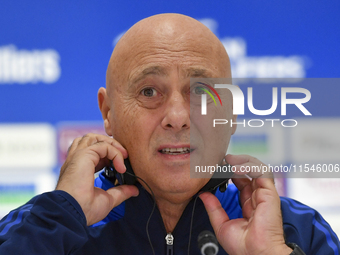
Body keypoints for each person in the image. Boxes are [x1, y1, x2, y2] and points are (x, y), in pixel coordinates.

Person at [0, 13, 339, 255]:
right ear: (108, 113)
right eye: (149, 92)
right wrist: (61, 219)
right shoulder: (43, 229)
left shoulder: (296, 231)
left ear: (232, 113)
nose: (177, 117)